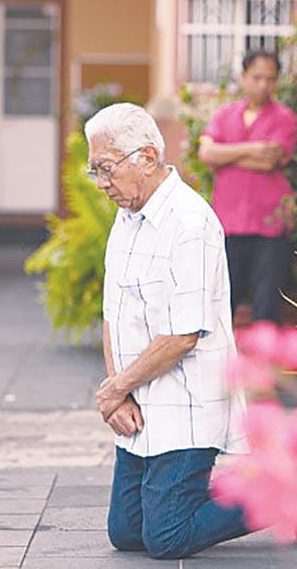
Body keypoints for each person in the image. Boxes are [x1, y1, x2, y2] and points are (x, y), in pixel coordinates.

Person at [87, 103, 249, 560]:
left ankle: (284, 493)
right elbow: (112, 314)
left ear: (148, 157)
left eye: (106, 168)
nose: (101, 183)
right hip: (139, 397)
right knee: (126, 532)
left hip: (186, 403)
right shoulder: (128, 216)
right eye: (94, 170)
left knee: (166, 538)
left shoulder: (189, 223)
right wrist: (118, 394)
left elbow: (183, 336)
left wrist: (117, 387)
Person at [198, 49, 297, 324]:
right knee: (222, 303)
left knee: (266, 306)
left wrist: (225, 156)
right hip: (228, 221)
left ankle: (265, 367)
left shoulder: (284, 117)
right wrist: (253, 149)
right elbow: (205, 155)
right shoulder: (225, 114)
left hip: (269, 222)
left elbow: (270, 161)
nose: (263, 85)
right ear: (243, 78)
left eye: (270, 78)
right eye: (256, 77)